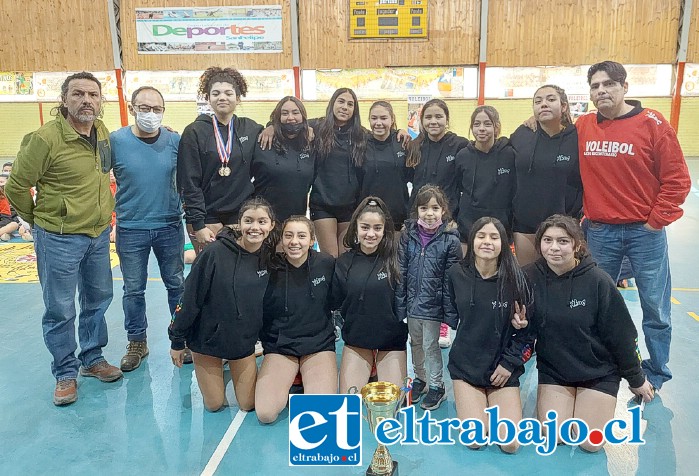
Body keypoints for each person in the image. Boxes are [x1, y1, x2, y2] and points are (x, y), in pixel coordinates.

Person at [5, 72, 122, 406]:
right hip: (58, 238)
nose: (86, 100)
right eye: (78, 94)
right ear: (64, 99)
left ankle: (92, 358)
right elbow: (15, 186)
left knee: (98, 298)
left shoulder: (101, 132)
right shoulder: (45, 138)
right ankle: (65, 372)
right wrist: (38, 220)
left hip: (97, 234)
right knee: (60, 307)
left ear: (101, 101)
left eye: (93, 95)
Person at [577, 61, 691, 392]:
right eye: (595, 86)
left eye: (609, 84)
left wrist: (656, 222)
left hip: (645, 233)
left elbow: (677, 180)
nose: (602, 91)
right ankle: (598, 364)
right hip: (600, 233)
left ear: (625, 87)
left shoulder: (653, 123)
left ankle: (655, 372)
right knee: (596, 304)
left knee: (655, 306)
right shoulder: (584, 125)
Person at [525, 215, 654, 452]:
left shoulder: (598, 282)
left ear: (577, 245)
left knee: (589, 443)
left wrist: (636, 379)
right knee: (555, 436)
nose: (554, 248)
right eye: (548, 240)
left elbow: (623, 335)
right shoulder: (529, 277)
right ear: (539, 243)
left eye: (563, 241)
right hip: (555, 371)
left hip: (598, 372)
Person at [169, 198, 277, 412]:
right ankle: (215, 371)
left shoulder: (269, 257)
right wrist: (177, 341)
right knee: (215, 404)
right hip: (207, 340)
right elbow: (190, 298)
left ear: (271, 226)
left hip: (241, 341)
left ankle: (231, 370)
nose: (255, 228)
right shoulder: (214, 253)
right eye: (249, 221)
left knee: (248, 404)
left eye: (262, 222)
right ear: (239, 223)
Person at [111, 86, 185, 372]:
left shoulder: (174, 140)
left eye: (156, 109)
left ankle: (181, 337)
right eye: (144, 108)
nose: (151, 114)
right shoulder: (116, 141)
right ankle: (137, 341)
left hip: (168, 224)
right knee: (133, 289)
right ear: (133, 108)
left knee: (176, 285)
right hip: (131, 228)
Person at [446, 217, 533, 453]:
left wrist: (509, 364)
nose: (487, 242)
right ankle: (472, 404)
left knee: (510, 444)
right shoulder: (456, 274)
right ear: (472, 241)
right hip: (467, 367)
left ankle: (495, 404)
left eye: (494, 237)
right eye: (481, 236)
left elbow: (528, 335)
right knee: (475, 440)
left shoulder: (517, 280)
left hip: (502, 369)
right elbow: (450, 314)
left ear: (504, 243)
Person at [256, 216, 337, 423]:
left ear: (312, 240)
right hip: (282, 347)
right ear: (281, 240)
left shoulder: (326, 264)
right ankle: (292, 378)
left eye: (302, 236)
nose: (294, 242)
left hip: (318, 345)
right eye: (288, 235)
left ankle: (303, 379)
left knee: (318, 412)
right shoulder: (269, 268)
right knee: (266, 414)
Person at [178, 66, 263, 255]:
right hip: (207, 215)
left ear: (238, 98)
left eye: (228, 93)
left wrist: (273, 127)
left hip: (240, 214)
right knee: (211, 271)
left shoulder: (251, 129)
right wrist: (198, 224)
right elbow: (189, 181)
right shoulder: (194, 132)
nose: (222, 97)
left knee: (241, 269)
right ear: (208, 98)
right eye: (215, 93)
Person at [406, 98, 468, 348]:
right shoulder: (414, 146)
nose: (433, 121)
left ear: (446, 119)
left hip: (447, 221)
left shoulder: (460, 145)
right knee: (419, 273)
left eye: (438, 116)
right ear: (422, 120)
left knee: (444, 274)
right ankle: (418, 321)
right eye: (428, 117)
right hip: (418, 220)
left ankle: (443, 324)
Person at [396, 185, 461, 410]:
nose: (429, 213)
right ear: (417, 211)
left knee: (430, 345)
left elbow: (450, 279)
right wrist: (401, 302)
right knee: (415, 343)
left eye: (435, 208)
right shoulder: (408, 236)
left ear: (443, 211)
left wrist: (447, 311)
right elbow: (401, 270)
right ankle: (421, 379)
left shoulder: (450, 240)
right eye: (424, 208)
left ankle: (437, 386)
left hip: (433, 306)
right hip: (413, 305)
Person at [333, 197, 408, 393]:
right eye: (365, 227)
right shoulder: (343, 263)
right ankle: (369, 368)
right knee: (351, 402)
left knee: (391, 407)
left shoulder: (397, 259)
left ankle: (378, 369)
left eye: (377, 228)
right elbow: (335, 302)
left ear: (385, 230)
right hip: (357, 342)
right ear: (356, 228)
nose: (371, 234)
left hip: (390, 342)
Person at [510, 85, 582, 266]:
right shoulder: (522, 135)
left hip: (564, 225)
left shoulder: (577, 137)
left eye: (550, 100)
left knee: (561, 280)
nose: (543, 104)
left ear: (564, 106)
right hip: (525, 226)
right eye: (538, 101)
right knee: (528, 280)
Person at [309, 88, 367, 257]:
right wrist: (271, 128)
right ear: (332, 104)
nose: (345, 107)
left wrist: (400, 132)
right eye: (341, 102)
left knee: (345, 259)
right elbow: (289, 122)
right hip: (323, 204)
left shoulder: (361, 135)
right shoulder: (317, 127)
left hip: (349, 206)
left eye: (350, 104)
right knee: (330, 258)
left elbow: (386, 135)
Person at [455, 105, 516, 256]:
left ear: (497, 127)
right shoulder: (463, 156)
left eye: (487, 124)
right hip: (468, 226)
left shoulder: (509, 154)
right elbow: (456, 188)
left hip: (500, 228)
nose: (481, 129)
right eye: (477, 124)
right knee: (467, 272)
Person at [251, 96, 314, 223]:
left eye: (295, 112)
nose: (290, 117)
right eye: (284, 113)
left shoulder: (310, 143)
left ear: (303, 116)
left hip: (295, 220)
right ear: (278, 117)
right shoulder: (263, 141)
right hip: (263, 220)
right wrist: (271, 126)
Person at [359, 101, 411, 230]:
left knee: (396, 250)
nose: (378, 123)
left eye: (383, 118)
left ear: (392, 119)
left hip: (398, 216)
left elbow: (412, 176)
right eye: (374, 118)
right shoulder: (361, 144)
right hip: (369, 216)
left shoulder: (402, 142)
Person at [0, 173, 20, 241]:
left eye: (1, 182)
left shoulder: (2, 199)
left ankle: (3, 233)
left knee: (14, 225)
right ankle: (4, 234)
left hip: (5, 222)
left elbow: (6, 220)